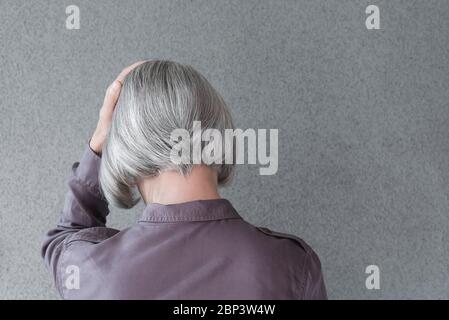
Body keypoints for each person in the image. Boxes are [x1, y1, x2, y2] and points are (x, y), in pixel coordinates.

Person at [41, 60, 327, 299]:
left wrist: (98, 145)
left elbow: (65, 237)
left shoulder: (92, 270)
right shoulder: (293, 264)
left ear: (125, 147)